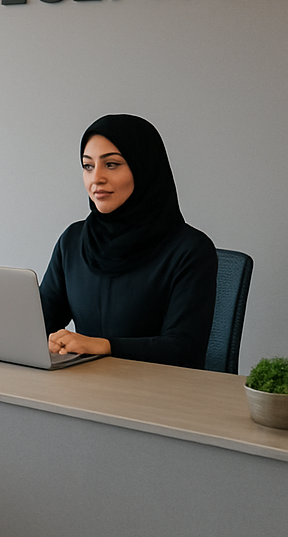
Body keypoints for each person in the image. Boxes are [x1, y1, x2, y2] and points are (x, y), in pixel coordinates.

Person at [39, 113, 218, 369]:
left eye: (111, 164)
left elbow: (183, 349)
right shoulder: (73, 241)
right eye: (88, 166)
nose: (96, 178)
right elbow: (39, 326)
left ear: (143, 168)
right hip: (83, 390)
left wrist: (102, 345)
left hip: (158, 396)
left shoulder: (191, 250)